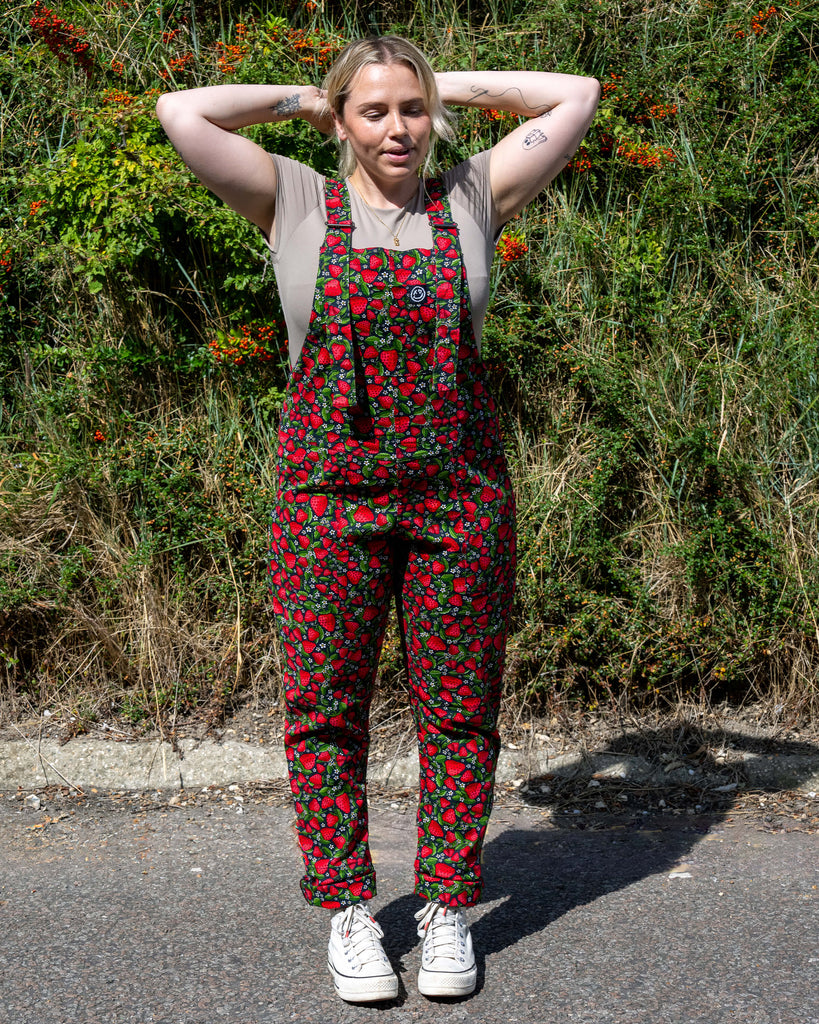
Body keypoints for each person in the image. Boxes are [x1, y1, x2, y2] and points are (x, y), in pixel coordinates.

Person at [157, 35, 599, 1003]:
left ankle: (444, 908)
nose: (396, 128)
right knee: (324, 712)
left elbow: (578, 93)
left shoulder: (475, 194)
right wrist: (298, 101)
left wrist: (452, 88)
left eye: (411, 108)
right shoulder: (295, 200)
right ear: (342, 120)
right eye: (372, 110)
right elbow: (178, 113)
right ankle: (350, 908)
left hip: (460, 491)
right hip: (327, 498)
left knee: (459, 709)